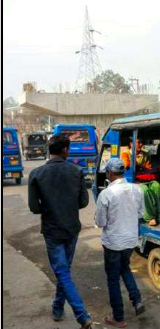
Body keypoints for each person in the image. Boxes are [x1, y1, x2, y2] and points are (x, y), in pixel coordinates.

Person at [28, 135, 93, 329]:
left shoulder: (36, 174)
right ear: (65, 150)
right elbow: (83, 202)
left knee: (62, 272)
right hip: (71, 229)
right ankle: (59, 308)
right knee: (63, 271)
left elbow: (34, 207)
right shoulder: (77, 171)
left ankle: (80, 315)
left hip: (52, 230)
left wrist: (50, 208)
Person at [95, 158, 146, 327]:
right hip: (131, 240)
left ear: (110, 173)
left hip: (113, 242)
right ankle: (137, 300)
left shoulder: (106, 194)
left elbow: (101, 222)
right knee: (125, 268)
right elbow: (140, 214)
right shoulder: (137, 189)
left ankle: (118, 317)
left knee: (113, 279)